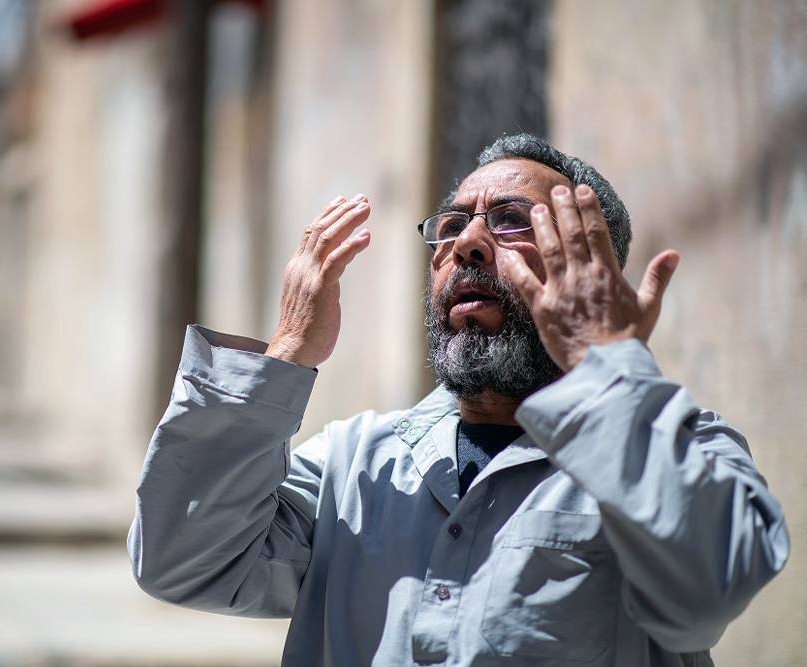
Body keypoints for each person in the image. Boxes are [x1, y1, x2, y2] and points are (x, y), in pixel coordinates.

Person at [128, 134, 789, 666]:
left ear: (591, 269)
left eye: (511, 222)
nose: (466, 242)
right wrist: (287, 354)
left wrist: (601, 360)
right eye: (451, 224)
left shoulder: (681, 449)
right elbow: (184, 562)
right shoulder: (356, 463)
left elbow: (708, 592)